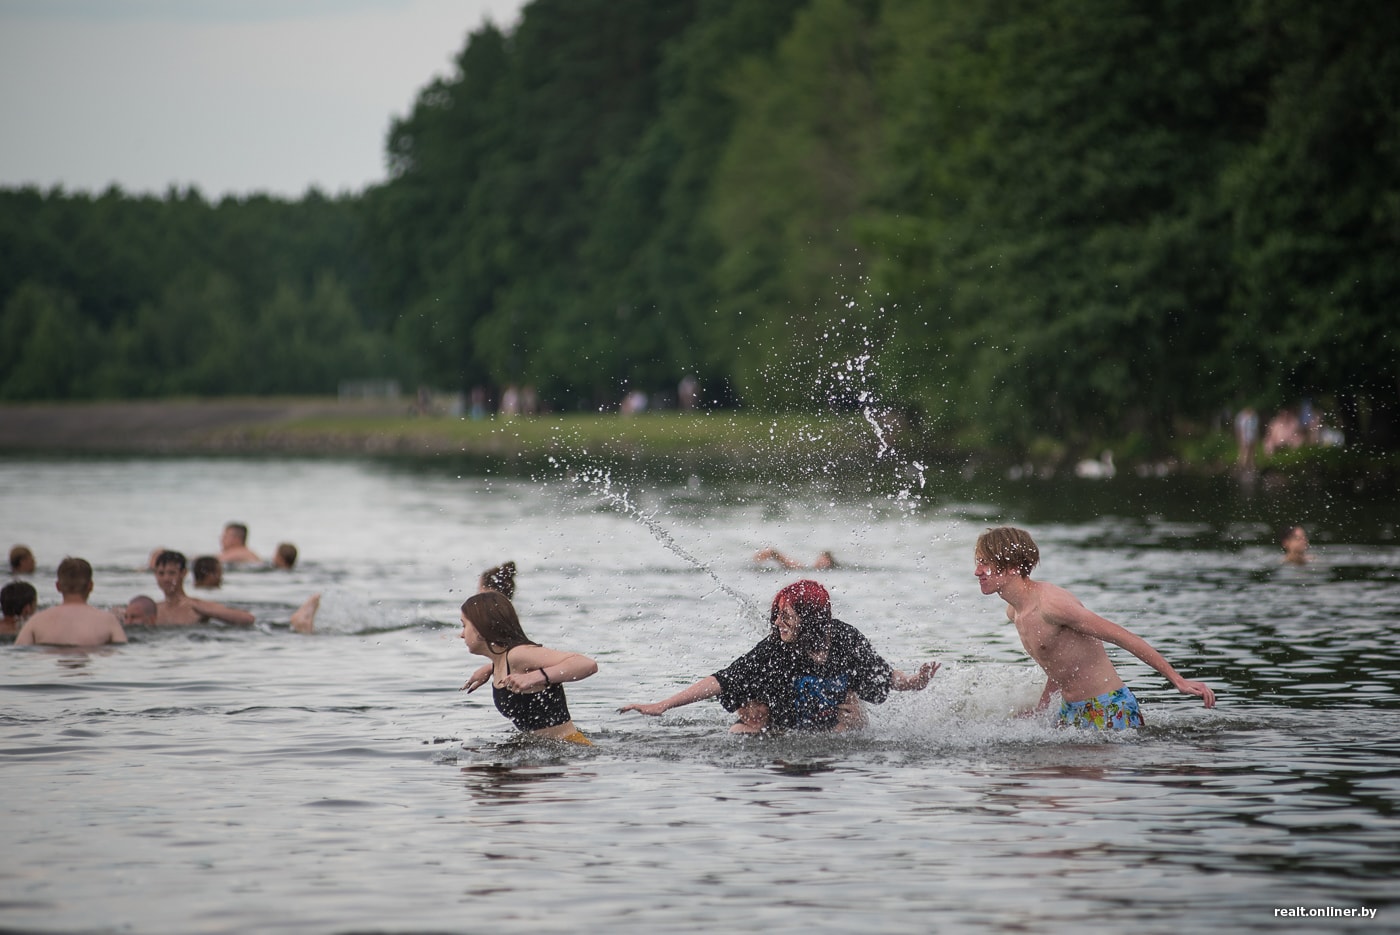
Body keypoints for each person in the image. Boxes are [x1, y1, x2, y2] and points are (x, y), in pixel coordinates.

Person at [974, 526, 1215, 730]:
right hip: (1069, 710)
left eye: (985, 563)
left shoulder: (1052, 605)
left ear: (1013, 566)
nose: (977, 571)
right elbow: (1058, 661)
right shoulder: (1013, 612)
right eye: (978, 563)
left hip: (1108, 706)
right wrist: (1041, 709)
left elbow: (1123, 637)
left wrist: (1177, 680)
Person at [620, 579, 938, 733]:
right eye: (776, 615)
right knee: (740, 732)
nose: (777, 623)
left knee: (855, 715)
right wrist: (662, 705)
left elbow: (879, 672)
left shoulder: (843, 637)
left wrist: (914, 682)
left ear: (810, 618)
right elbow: (722, 680)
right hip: (785, 732)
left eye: (785, 617)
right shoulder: (775, 649)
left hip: (839, 730)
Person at [457, 590, 597, 744]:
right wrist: (491, 668)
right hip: (548, 751)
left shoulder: (518, 655)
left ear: (480, 629)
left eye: (464, 626)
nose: (461, 634)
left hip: (571, 748)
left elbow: (586, 664)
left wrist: (534, 677)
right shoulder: (504, 661)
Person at [14, 557, 127, 647]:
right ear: (91, 586)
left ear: (58, 586)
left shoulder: (36, 621)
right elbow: (121, 653)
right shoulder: (108, 621)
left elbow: (19, 653)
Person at [152, 550, 255, 626]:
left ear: (183, 573)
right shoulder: (153, 610)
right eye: (161, 573)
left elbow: (248, 619)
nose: (166, 578)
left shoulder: (197, 606)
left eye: (171, 573)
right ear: (155, 575)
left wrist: (209, 612)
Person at [753, 547, 837, 570]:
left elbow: (792, 566)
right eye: (819, 558)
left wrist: (774, 554)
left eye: (822, 559)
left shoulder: (809, 570)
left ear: (828, 562)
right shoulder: (810, 569)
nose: (818, 560)